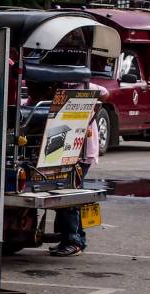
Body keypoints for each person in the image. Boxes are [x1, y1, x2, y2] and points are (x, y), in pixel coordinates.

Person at [51, 82, 108, 257]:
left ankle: (74, 240)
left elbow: (105, 93)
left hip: (81, 151)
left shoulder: (84, 86)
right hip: (66, 149)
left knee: (69, 194)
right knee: (66, 192)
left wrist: (90, 104)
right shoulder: (59, 87)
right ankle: (72, 239)